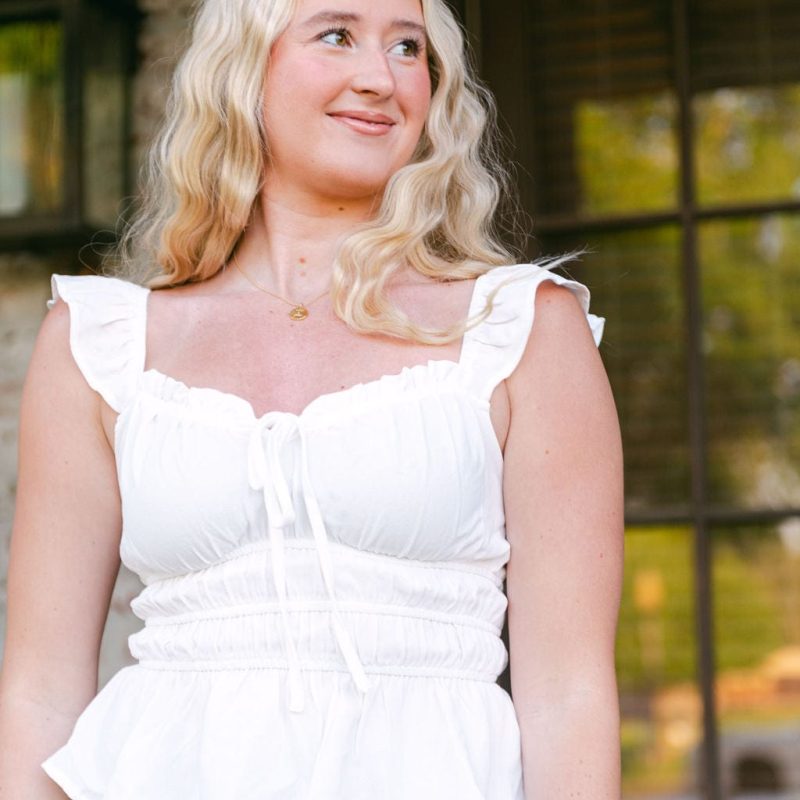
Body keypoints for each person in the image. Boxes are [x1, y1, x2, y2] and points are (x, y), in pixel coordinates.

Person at [0, 0, 624, 797]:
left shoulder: (521, 329)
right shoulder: (100, 344)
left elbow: (568, 693)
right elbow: (40, 691)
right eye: (337, 36)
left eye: (409, 49)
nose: (381, 78)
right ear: (245, 68)